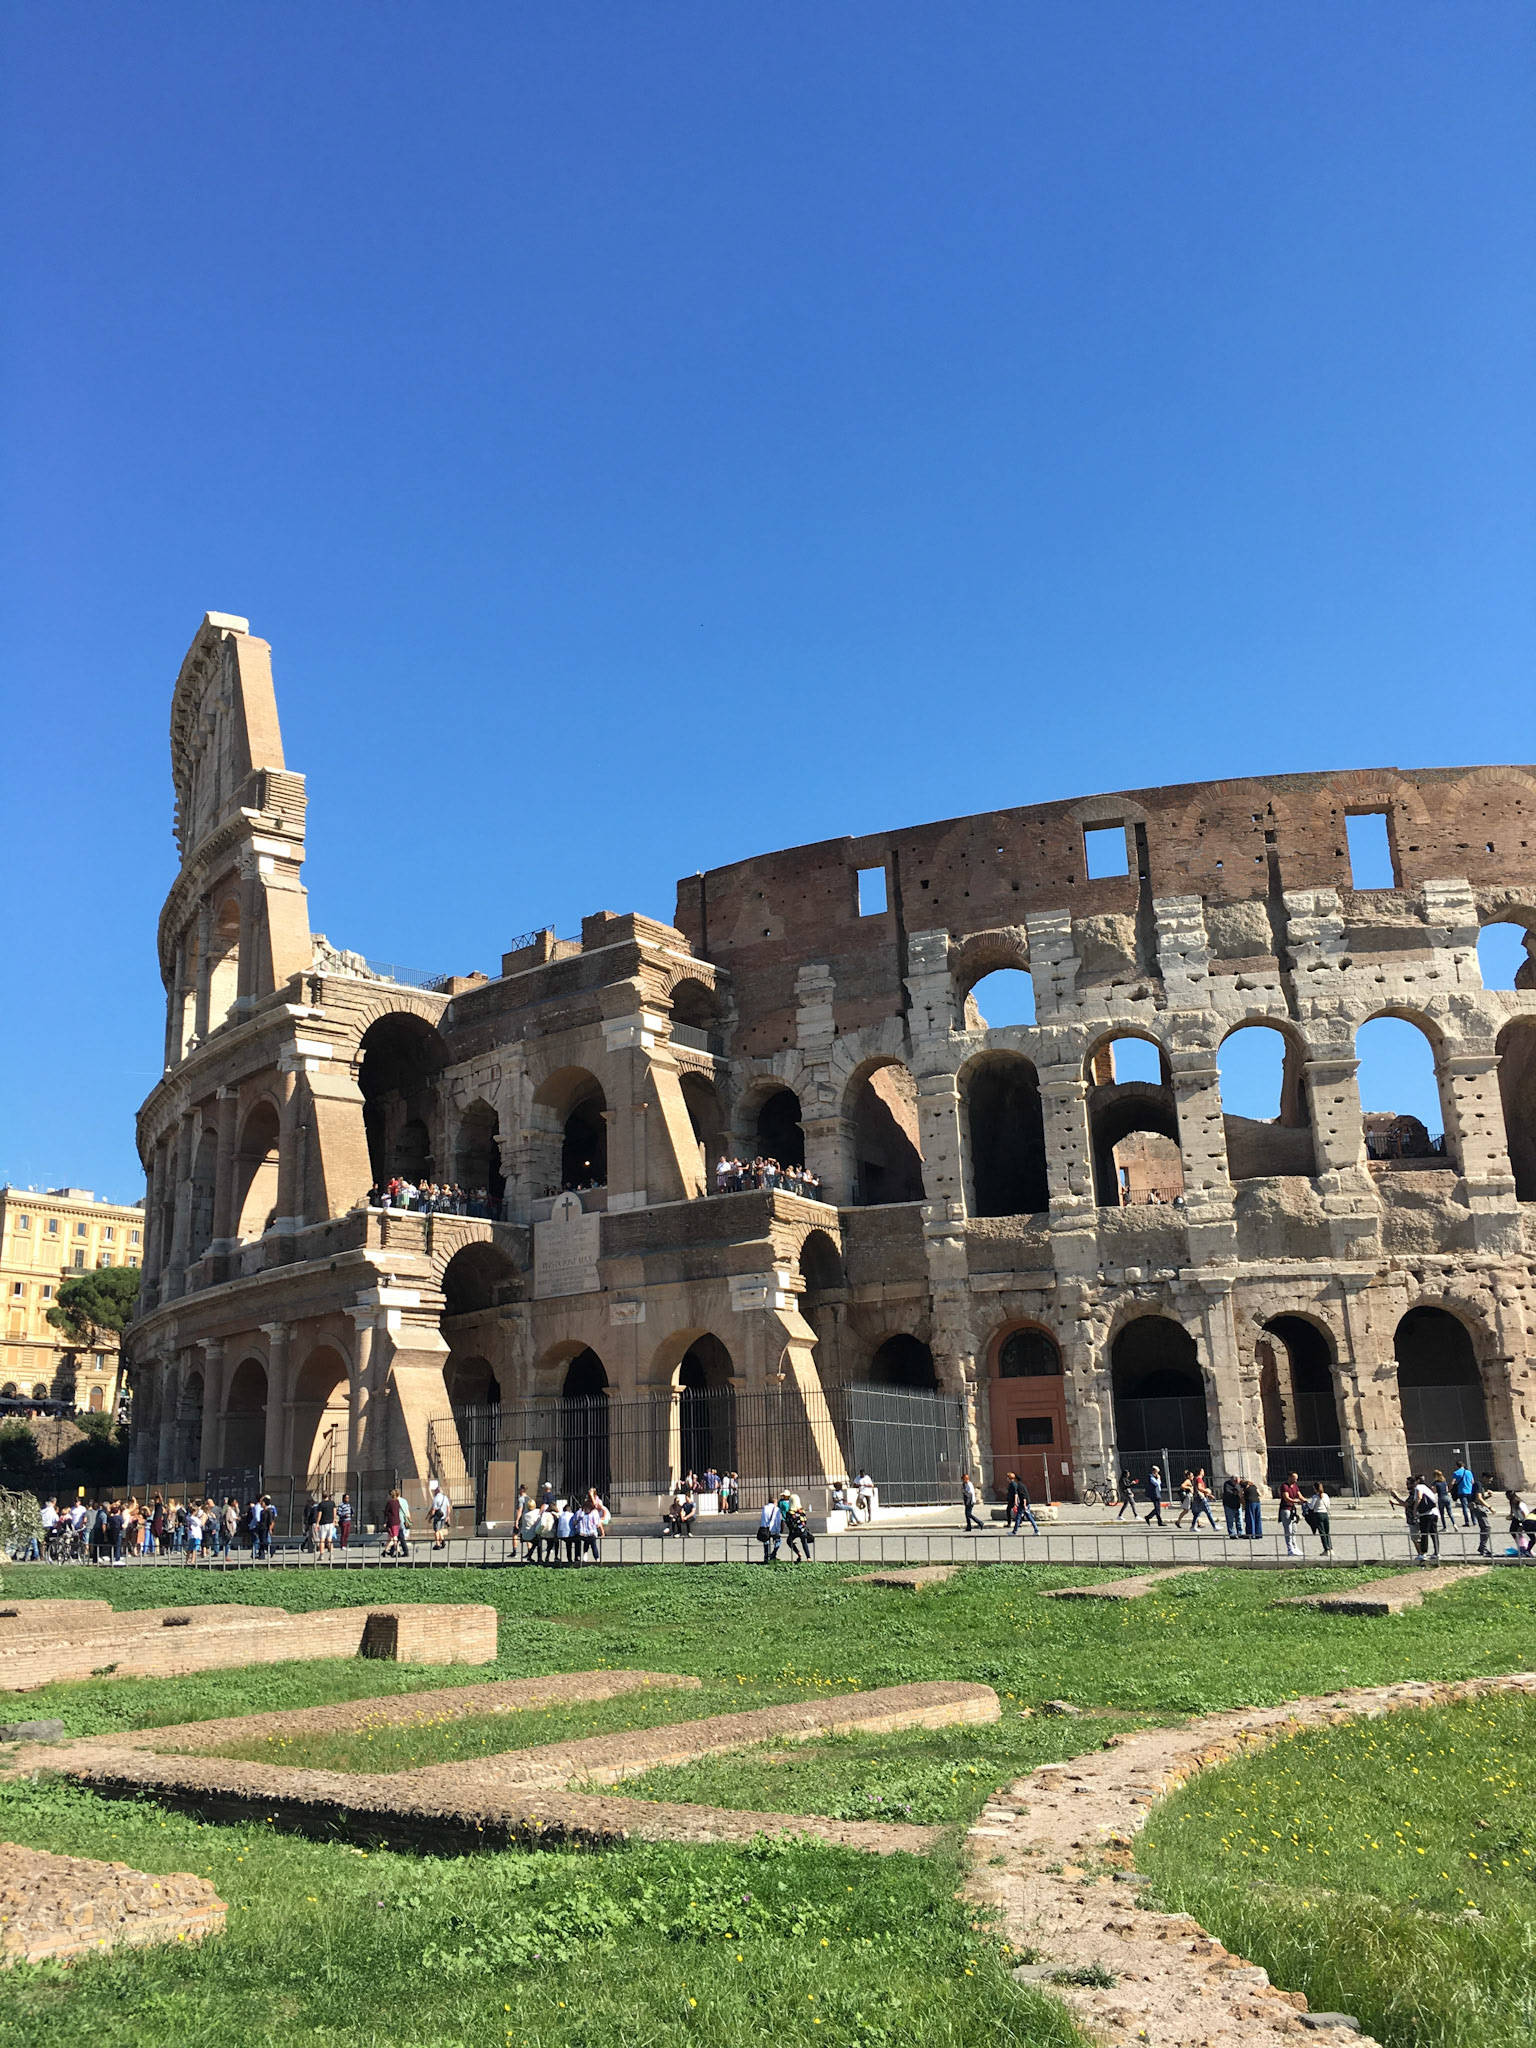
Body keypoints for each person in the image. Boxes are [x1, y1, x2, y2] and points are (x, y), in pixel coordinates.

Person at [1468, 1474, 1494, 1559]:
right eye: (1489, 1480)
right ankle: (1483, 1548)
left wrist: (1488, 1496)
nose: (1489, 1482)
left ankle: (1482, 1547)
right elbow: (1479, 1499)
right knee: (1486, 1527)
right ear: (1484, 1477)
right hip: (1477, 1507)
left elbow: (1480, 1498)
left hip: (1478, 1506)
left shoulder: (1480, 1485)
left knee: (1485, 1527)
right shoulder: (1478, 1484)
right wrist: (1490, 1508)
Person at [1278, 1473, 1305, 1557]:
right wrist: (1297, 1501)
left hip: (1292, 1510)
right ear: (1290, 1477)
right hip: (1285, 1509)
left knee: (1294, 1529)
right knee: (1288, 1530)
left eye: (1296, 1478)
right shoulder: (1284, 1486)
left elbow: (1300, 1496)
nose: (1296, 1480)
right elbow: (1286, 1498)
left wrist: (1306, 1502)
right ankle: (1289, 1548)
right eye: (1294, 1478)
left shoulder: (1295, 1486)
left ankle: (1295, 1546)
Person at [1303, 1480, 1332, 1555]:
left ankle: (1326, 1549)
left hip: (1318, 1514)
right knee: (1327, 1532)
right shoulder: (1326, 1495)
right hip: (1325, 1514)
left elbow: (1311, 1507)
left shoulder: (1315, 1496)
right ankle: (1330, 1548)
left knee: (1322, 1532)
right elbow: (1328, 1506)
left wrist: (1307, 1502)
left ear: (1315, 1488)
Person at [1004, 1471, 1039, 1536]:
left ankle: (1014, 1532)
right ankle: (1036, 1530)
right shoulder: (1023, 1485)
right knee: (1029, 1517)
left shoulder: (1018, 1486)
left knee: (1018, 1517)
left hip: (1023, 1504)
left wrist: (1024, 1505)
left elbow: (1023, 1496)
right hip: (1026, 1503)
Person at [1450, 1460, 1476, 1526]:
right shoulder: (1469, 1472)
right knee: (1471, 1506)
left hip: (1462, 1492)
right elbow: (1472, 1482)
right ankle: (1474, 1521)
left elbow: (1452, 1482)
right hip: (1470, 1491)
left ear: (1457, 1466)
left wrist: (1450, 1489)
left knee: (1464, 1507)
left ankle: (1467, 1522)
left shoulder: (1456, 1473)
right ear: (1463, 1465)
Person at [756, 1497, 783, 1561]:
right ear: (774, 1502)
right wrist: (778, 1530)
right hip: (773, 1528)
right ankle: (773, 1554)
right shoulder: (776, 1509)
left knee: (766, 1542)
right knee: (778, 1541)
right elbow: (778, 1521)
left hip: (765, 1528)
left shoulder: (764, 1508)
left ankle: (766, 1556)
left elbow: (763, 1518)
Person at [429, 1479, 451, 1550]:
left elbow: (433, 1509)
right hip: (443, 1516)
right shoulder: (445, 1497)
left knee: (436, 1530)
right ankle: (443, 1541)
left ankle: (437, 1544)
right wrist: (448, 1516)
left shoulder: (436, 1498)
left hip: (437, 1516)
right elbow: (448, 1508)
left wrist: (430, 1517)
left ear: (436, 1491)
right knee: (440, 1529)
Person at [383, 1488, 405, 1558]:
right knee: (391, 1537)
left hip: (392, 1521)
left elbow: (386, 1512)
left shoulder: (389, 1503)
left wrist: (385, 1520)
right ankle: (385, 1551)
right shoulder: (397, 1502)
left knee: (394, 1537)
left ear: (390, 1495)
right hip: (397, 1521)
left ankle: (396, 1551)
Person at [1221, 1473, 1242, 1539]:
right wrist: (1235, 1492)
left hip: (1237, 1504)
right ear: (1233, 1480)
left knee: (1239, 1520)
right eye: (1236, 1481)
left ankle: (1240, 1532)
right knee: (1230, 1521)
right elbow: (1228, 1492)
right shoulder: (1227, 1484)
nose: (1237, 1483)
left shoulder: (1239, 1484)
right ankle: (1232, 1533)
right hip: (1229, 1505)